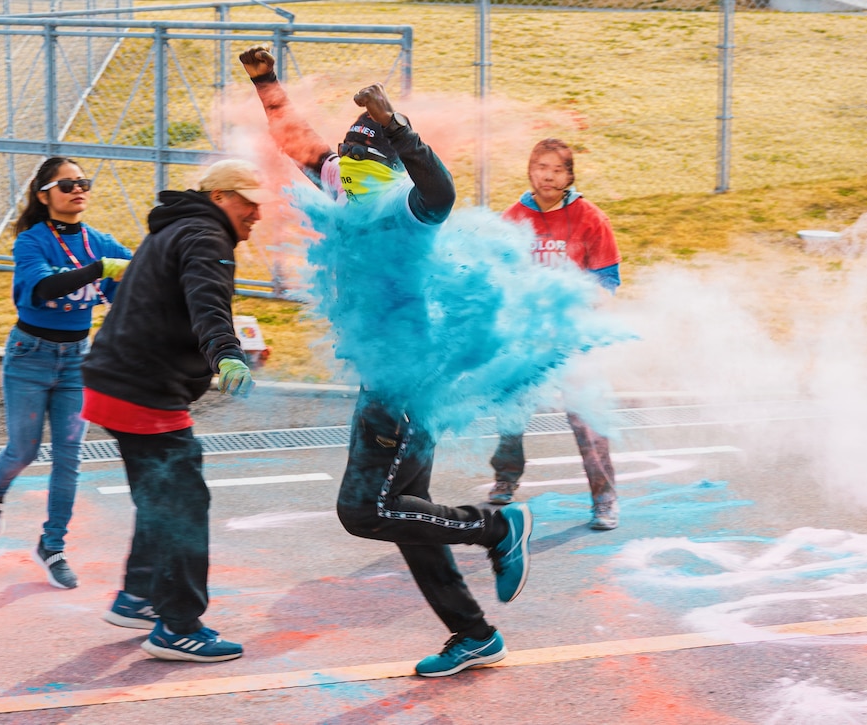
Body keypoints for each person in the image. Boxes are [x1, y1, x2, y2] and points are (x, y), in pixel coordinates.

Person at [238, 45, 532, 678]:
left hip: (406, 380)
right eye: (345, 154)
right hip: (386, 373)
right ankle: (474, 633)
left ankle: (496, 529)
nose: (342, 164)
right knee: (406, 514)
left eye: (359, 154)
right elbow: (295, 139)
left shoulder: (405, 210)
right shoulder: (342, 187)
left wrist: (399, 128)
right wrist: (265, 81)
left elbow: (441, 189)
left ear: (384, 163)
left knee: (364, 509)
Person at [81, 158, 273, 663]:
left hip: (116, 381)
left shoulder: (176, 229)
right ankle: (178, 626)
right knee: (184, 504)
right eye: (246, 201)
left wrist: (229, 350)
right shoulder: (207, 238)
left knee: (160, 498)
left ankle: (139, 597)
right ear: (218, 198)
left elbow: (183, 307)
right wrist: (227, 355)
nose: (256, 213)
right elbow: (207, 303)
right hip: (144, 389)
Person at [0, 156, 132, 590]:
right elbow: (43, 290)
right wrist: (99, 270)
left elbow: (141, 277)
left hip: (77, 362)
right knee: (23, 451)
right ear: (44, 195)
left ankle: (53, 544)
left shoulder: (100, 240)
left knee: (69, 455)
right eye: (67, 185)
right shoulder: (31, 241)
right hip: (29, 356)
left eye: (84, 182)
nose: (78, 189)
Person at [487, 138, 622, 531]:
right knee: (511, 409)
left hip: (574, 337)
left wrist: (583, 303)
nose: (548, 175)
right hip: (525, 338)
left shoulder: (590, 218)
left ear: (570, 176)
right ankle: (506, 476)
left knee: (587, 417)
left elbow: (607, 281)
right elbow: (497, 279)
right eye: (542, 167)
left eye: (558, 169)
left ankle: (604, 497)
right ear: (530, 170)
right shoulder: (512, 218)